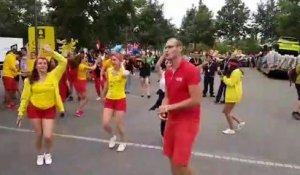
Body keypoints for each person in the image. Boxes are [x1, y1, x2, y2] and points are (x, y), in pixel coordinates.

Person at [16, 45, 67, 165]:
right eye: (40, 63)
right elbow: (25, 98)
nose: (42, 65)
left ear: (47, 65)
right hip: (34, 109)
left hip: (49, 109)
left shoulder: (53, 75)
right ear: (36, 66)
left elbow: (64, 62)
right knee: (39, 134)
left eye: (45, 63)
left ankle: (47, 153)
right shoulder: (29, 80)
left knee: (48, 136)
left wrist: (52, 52)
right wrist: (20, 113)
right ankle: (39, 154)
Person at [159, 38, 201, 175]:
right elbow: (167, 96)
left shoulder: (190, 70)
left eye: (170, 46)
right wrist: (164, 106)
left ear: (180, 48)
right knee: (171, 157)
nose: (167, 50)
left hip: (188, 121)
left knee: (180, 162)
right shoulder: (168, 72)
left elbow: (196, 100)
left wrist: (170, 107)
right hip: (172, 120)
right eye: (165, 47)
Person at [101, 53, 129, 152]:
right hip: (109, 99)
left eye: (115, 60)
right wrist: (102, 94)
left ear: (120, 61)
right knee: (105, 123)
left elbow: (126, 73)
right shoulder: (109, 71)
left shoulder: (123, 72)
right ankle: (113, 136)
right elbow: (107, 83)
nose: (112, 62)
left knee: (119, 124)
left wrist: (121, 64)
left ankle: (123, 141)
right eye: (112, 60)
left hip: (120, 100)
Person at [219, 59, 245, 135]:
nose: (228, 66)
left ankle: (231, 129)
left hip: (233, 94)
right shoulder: (236, 71)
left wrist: (223, 77)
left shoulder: (236, 72)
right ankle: (240, 122)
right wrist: (223, 76)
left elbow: (230, 83)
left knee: (226, 112)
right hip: (233, 93)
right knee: (226, 111)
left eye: (229, 65)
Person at [73, 53, 98, 117]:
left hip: (79, 82)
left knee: (83, 98)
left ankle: (79, 110)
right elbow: (93, 68)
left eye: (86, 57)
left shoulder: (81, 65)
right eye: (84, 57)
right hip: (81, 83)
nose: (86, 58)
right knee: (85, 99)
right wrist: (96, 62)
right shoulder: (82, 65)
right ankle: (78, 110)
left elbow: (88, 68)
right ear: (81, 59)